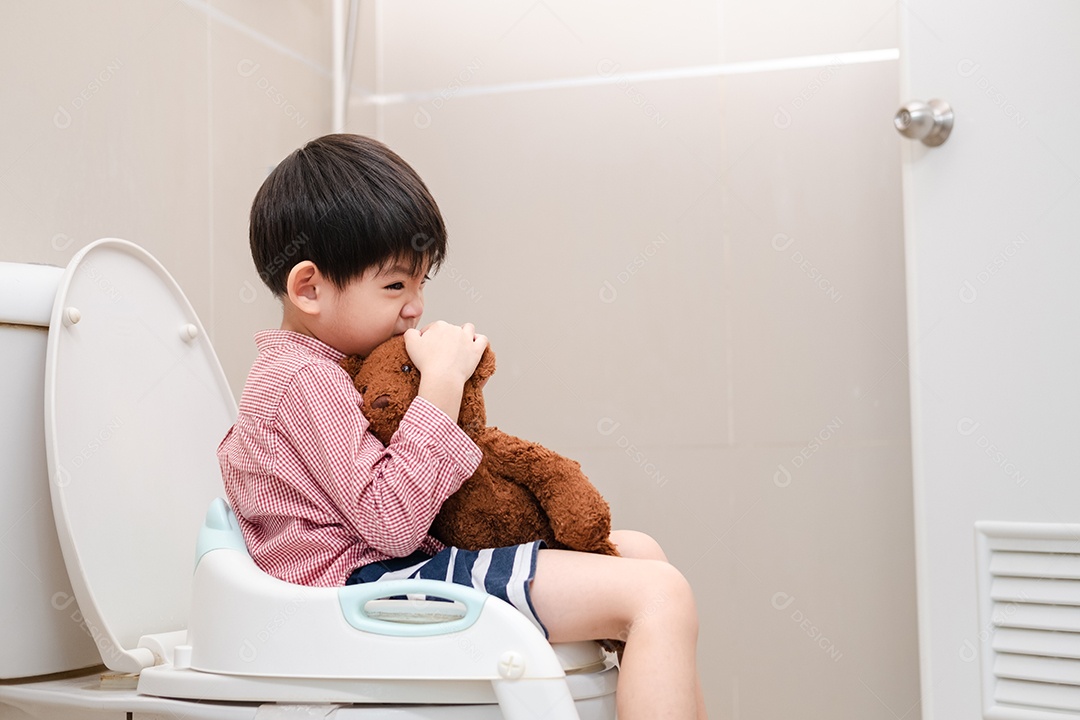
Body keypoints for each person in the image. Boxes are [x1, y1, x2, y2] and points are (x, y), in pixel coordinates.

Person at [218, 133, 706, 719]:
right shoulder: (302, 379)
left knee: (643, 556)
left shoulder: (327, 368)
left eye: (421, 283)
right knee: (660, 594)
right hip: (368, 587)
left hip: (392, 571)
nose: (415, 306)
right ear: (309, 288)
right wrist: (441, 389)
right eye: (396, 284)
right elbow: (390, 523)